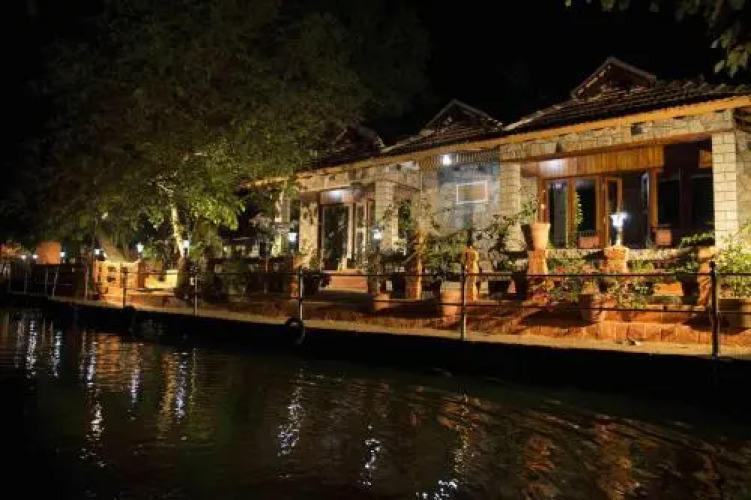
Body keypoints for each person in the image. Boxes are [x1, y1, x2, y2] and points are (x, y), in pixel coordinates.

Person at [461, 230, 480, 301]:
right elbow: (477, 259)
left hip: (469, 268)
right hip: (474, 268)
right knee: (473, 283)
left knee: (469, 284)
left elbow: (463, 260)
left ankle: (470, 297)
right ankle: (473, 297)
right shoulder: (475, 250)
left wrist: (465, 266)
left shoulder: (465, 250)